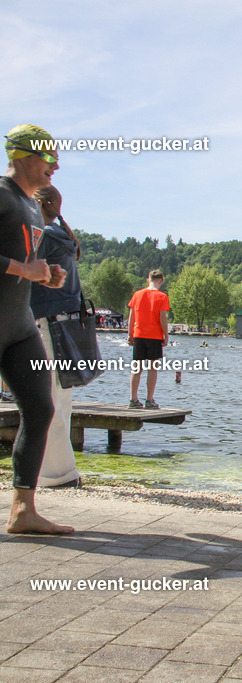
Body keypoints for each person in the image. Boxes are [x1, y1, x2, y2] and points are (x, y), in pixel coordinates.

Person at [1, 123, 73, 534]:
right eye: (49, 158)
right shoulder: (1, 194)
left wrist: (42, 275)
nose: (55, 166)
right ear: (22, 156)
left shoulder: (32, 206)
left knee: (41, 408)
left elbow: (19, 263)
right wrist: (24, 268)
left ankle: (22, 510)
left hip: (18, 326)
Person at [29, 184, 83, 487]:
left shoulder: (42, 236)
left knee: (44, 397)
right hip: (65, 323)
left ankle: (57, 473)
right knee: (61, 397)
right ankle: (60, 470)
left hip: (46, 322)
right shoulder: (63, 237)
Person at [127, 269, 170, 409]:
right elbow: (162, 317)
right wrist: (166, 335)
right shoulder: (162, 297)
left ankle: (133, 400)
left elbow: (131, 316)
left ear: (148, 280)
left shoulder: (137, 294)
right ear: (160, 281)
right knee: (152, 368)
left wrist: (130, 334)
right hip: (154, 335)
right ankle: (149, 400)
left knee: (136, 368)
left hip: (139, 334)